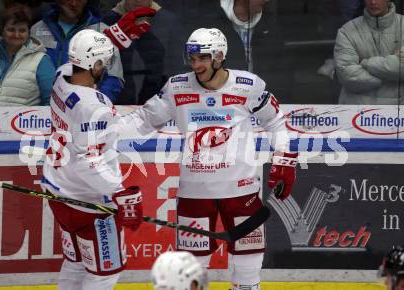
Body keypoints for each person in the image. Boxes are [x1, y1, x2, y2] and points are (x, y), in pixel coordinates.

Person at [117, 28, 298, 290]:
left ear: (219, 56)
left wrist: (284, 161)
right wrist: (104, 135)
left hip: (241, 191)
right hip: (195, 195)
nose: (196, 65)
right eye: (192, 58)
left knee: (248, 267)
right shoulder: (177, 87)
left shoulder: (248, 85)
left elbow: (277, 122)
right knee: (191, 271)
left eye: (202, 58)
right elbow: (143, 120)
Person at [41, 29, 143, 290]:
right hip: (88, 203)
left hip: (57, 191)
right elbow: (90, 162)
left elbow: (85, 55)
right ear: (94, 64)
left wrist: (118, 35)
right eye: (104, 63)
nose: (106, 68)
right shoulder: (94, 107)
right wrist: (119, 191)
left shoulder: (61, 77)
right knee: (105, 273)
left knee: (75, 263)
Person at [30, 0, 155, 101]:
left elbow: (114, 78)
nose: (73, 3)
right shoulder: (37, 29)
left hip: (87, 110)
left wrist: (95, 102)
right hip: (41, 114)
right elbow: (26, 73)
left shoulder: (102, 31)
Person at [101, 0, 186, 105]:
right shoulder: (105, 21)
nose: (138, 0)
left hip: (159, 101)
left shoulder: (169, 21)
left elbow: (178, 66)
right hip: (116, 101)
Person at [0, 4, 55, 106]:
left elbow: (51, 102)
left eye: (22, 30)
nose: (16, 35)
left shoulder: (41, 60)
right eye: (11, 30)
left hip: (24, 121)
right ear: (2, 31)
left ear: (28, 32)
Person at [334, 0, 404, 104]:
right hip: (357, 112)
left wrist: (366, 63)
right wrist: (391, 73)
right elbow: (347, 75)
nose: (373, 2)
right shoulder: (347, 31)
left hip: (396, 114)